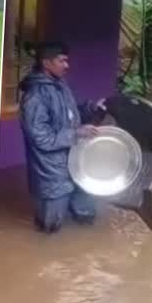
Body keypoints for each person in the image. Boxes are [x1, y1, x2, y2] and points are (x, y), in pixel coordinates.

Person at [19, 42, 106, 234]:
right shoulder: (35, 96)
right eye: (62, 61)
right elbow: (41, 138)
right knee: (50, 228)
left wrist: (91, 108)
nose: (67, 65)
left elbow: (69, 116)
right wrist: (76, 134)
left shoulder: (60, 86)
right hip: (52, 176)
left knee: (85, 217)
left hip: (75, 164)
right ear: (46, 63)